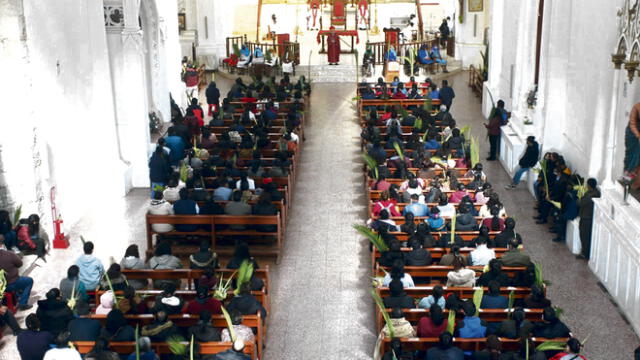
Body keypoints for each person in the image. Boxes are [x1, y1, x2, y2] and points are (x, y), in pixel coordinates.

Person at [0, 235, 33, 310]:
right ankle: (23, 303)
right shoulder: (9, 254)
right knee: (29, 281)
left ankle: (17, 296)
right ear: (2, 244)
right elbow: (20, 264)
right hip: (12, 282)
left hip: (1, 286)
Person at [577, 178, 600, 260]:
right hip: (586, 217)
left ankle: (585, 253)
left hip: (587, 218)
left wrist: (579, 198)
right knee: (584, 236)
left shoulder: (591, 195)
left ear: (589, 185)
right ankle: (585, 252)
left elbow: (580, 202)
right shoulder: (593, 192)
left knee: (584, 237)